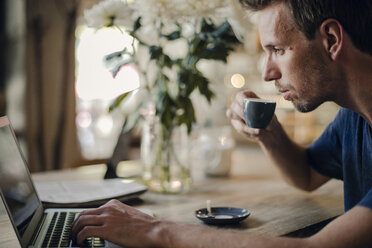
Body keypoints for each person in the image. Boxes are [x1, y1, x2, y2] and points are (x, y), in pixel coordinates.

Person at [71, 0, 372, 247]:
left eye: (278, 50)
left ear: (331, 39)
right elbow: (307, 173)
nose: (267, 73)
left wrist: (154, 230)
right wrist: (268, 132)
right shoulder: (353, 117)